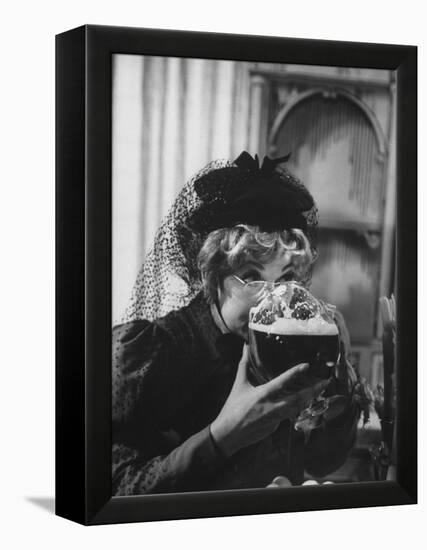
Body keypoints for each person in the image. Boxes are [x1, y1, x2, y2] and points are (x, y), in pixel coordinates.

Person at [112, 151, 361, 495]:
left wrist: (342, 391)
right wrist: (223, 437)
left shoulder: (286, 343)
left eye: (287, 277)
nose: (276, 298)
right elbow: (109, 490)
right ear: (211, 275)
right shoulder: (147, 353)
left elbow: (320, 461)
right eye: (251, 276)